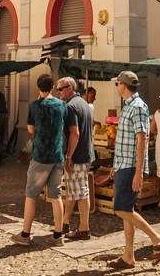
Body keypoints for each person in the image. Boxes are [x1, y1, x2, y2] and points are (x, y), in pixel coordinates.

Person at [106, 71, 160, 269]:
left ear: (123, 85)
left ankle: (157, 238)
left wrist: (138, 172)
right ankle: (128, 256)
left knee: (120, 209)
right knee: (128, 210)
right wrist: (116, 166)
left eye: (117, 84)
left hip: (131, 166)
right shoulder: (128, 106)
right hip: (124, 165)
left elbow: (142, 140)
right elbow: (128, 141)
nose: (116, 87)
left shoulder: (138, 107)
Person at [11, 73, 68, 248]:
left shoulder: (34, 106)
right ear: (52, 88)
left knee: (31, 195)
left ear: (38, 88)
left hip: (40, 156)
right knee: (56, 195)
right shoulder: (62, 105)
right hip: (58, 155)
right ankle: (58, 235)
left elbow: (30, 129)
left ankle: (25, 234)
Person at [56, 77, 95, 240]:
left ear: (70, 88)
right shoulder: (83, 102)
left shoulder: (71, 106)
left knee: (81, 191)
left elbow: (75, 133)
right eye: (57, 89)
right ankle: (65, 222)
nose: (58, 93)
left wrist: (69, 156)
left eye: (61, 89)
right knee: (73, 190)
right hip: (86, 152)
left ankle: (84, 228)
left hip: (78, 155)